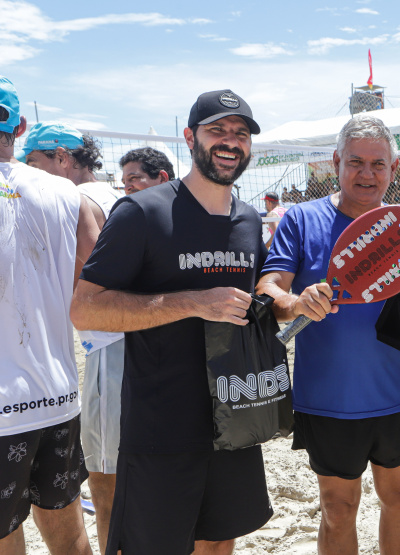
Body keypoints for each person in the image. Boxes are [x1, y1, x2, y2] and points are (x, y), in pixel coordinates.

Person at [70, 89, 273, 555]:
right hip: (162, 423)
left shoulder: (248, 219)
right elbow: (86, 308)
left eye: (240, 134)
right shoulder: (142, 212)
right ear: (189, 137)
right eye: (216, 130)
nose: (230, 142)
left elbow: (255, 304)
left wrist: (293, 304)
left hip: (234, 415)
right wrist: (193, 302)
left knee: (220, 541)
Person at [256, 114, 400, 554]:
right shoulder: (301, 220)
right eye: (356, 162)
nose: (367, 174)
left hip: (395, 394)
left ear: (393, 170)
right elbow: (269, 288)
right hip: (327, 399)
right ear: (335, 162)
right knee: (338, 510)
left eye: (378, 164)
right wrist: (297, 303)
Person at [19, 120, 127, 552]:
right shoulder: (113, 194)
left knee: (104, 477)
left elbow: (94, 286)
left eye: (34, 162)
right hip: (126, 344)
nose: (28, 172)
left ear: (62, 159)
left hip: (108, 346)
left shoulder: (77, 200)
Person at [0, 75, 97, 555]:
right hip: (57, 395)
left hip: (1, 406)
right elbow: (96, 294)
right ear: (18, 127)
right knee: (66, 525)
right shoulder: (67, 194)